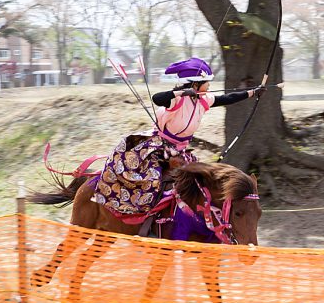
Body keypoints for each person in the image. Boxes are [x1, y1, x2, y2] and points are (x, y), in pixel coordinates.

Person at [93, 57, 264, 215]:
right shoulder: (177, 100)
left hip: (180, 149)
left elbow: (228, 98)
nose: (209, 86)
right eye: (206, 83)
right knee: (151, 178)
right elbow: (157, 98)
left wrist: (253, 93)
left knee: (198, 182)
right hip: (159, 145)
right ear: (195, 85)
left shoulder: (204, 100)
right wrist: (182, 93)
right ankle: (143, 215)